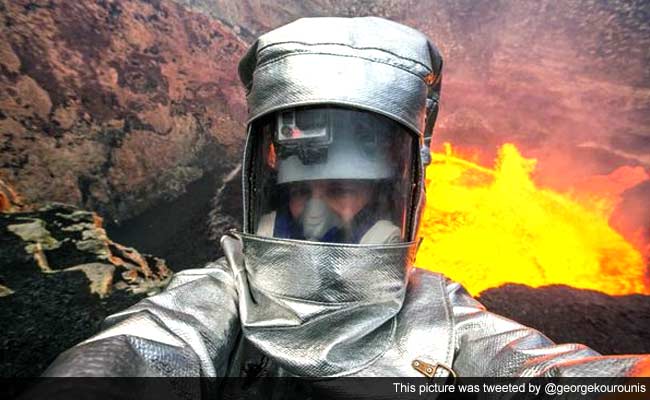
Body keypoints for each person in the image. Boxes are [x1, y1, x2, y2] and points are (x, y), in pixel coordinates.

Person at [45, 16, 649, 383]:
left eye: (345, 191)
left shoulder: (439, 316)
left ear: (391, 198)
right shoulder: (226, 291)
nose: (319, 214)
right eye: (303, 192)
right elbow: (151, 345)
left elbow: (541, 372)